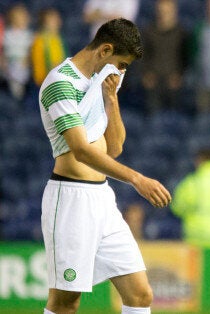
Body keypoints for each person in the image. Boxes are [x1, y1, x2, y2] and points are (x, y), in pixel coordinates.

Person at [39, 18, 171, 314]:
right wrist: (137, 179)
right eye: (121, 63)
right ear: (105, 50)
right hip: (70, 199)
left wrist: (111, 100)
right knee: (65, 304)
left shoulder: (101, 83)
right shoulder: (60, 83)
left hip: (102, 199)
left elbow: (114, 148)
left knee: (140, 294)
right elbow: (82, 151)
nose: (122, 71)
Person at [140, 0, 189, 114]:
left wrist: (180, 75)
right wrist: (145, 75)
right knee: (152, 114)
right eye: (161, 11)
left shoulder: (182, 33)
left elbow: (186, 58)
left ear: (174, 12)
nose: (164, 14)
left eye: (167, 12)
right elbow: (141, 56)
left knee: (176, 113)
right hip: (153, 83)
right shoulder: (148, 32)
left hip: (174, 83)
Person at [3, 2, 33, 102]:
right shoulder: (6, 34)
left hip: (26, 72)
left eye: (23, 16)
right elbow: (3, 53)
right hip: (8, 71)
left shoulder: (30, 35)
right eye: (17, 16)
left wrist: (27, 60)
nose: (21, 19)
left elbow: (31, 53)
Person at [31, 7, 68, 86]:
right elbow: (39, 70)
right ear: (45, 23)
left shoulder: (59, 39)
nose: (57, 21)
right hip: (44, 82)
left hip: (58, 78)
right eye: (53, 20)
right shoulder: (40, 40)